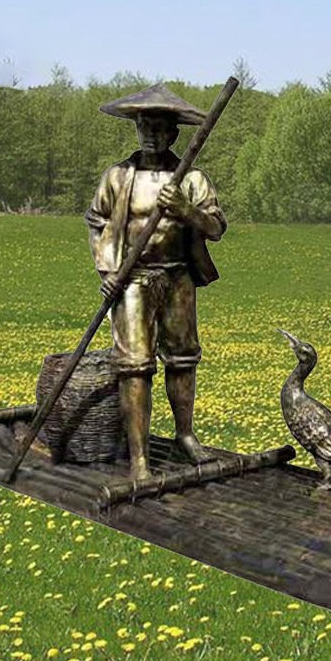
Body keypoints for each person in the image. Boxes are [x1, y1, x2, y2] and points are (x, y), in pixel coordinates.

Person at [85, 84, 227, 479]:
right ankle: (140, 458)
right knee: (134, 365)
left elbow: (216, 227)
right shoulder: (117, 177)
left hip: (178, 276)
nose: (150, 134)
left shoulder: (192, 179)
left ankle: (185, 436)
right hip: (132, 281)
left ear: (174, 133)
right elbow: (97, 222)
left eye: (159, 127)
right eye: (144, 126)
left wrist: (185, 210)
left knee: (183, 358)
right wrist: (108, 270)